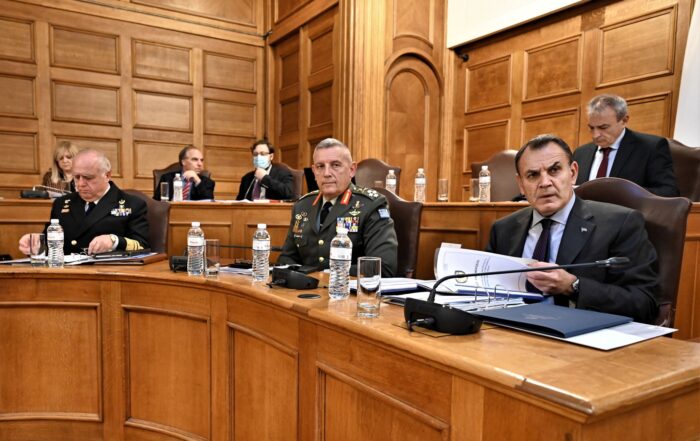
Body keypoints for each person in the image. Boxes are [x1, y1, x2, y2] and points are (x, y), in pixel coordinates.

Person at [487, 134, 660, 323]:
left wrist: (573, 286)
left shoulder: (621, 223)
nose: (545, 183)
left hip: (580, 333)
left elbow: (644, 303)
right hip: (512, 330)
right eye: (533, 175)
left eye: (554, 170)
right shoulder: (503, 229)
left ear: (573, 172)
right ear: (521, 184)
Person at [277, 138, 398, 276]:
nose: (327, 173)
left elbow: (383, 266)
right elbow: (286, 259)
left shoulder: (371, 205)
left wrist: (326, 275)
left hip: (347, 288)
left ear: (352, 170)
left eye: (335, 165)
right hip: (305, 287)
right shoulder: (302, 205)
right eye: (320, 166)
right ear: (314, 171)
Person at [19, 149, 149, 255]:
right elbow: (51, 243)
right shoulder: (61, 204)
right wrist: (36, 243)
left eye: (88, 177)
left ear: (107, 175)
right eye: (77, 177)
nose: (80, 184)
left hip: (107, 274)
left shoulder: (132, 204)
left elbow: (143, 246)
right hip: (66, 274)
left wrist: (114, 241)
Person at [574, 94, 679, 197]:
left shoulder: (651, 148)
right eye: (591, 128)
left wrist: (624, 194)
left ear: (624, 121)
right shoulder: (580, 153)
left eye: (603, 127)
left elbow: (668, 192)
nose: (595, 135)